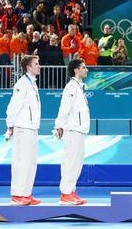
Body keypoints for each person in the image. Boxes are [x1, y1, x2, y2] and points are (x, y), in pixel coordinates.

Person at [5, 55, 42, 206]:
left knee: (31, 163)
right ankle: (17, 194)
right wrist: (10, 126)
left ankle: (26, 193)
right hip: (23, 128)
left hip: (32, 128)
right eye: (36, 64)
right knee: (21, 162)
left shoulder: (33, 83)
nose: (39, 66)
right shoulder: (22, 84)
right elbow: (13, 106)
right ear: (28, 67)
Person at [54, 58, 90, 205]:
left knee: (77, 163)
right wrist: (59, 125)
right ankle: (65, 193)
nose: (86, 69)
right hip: (73, 129)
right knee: (70, 162)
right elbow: (64, 108)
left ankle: (70, 191)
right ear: (76, 70)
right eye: (84, 67)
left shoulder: (79, 87)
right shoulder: (71, 87)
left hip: (79, 130)